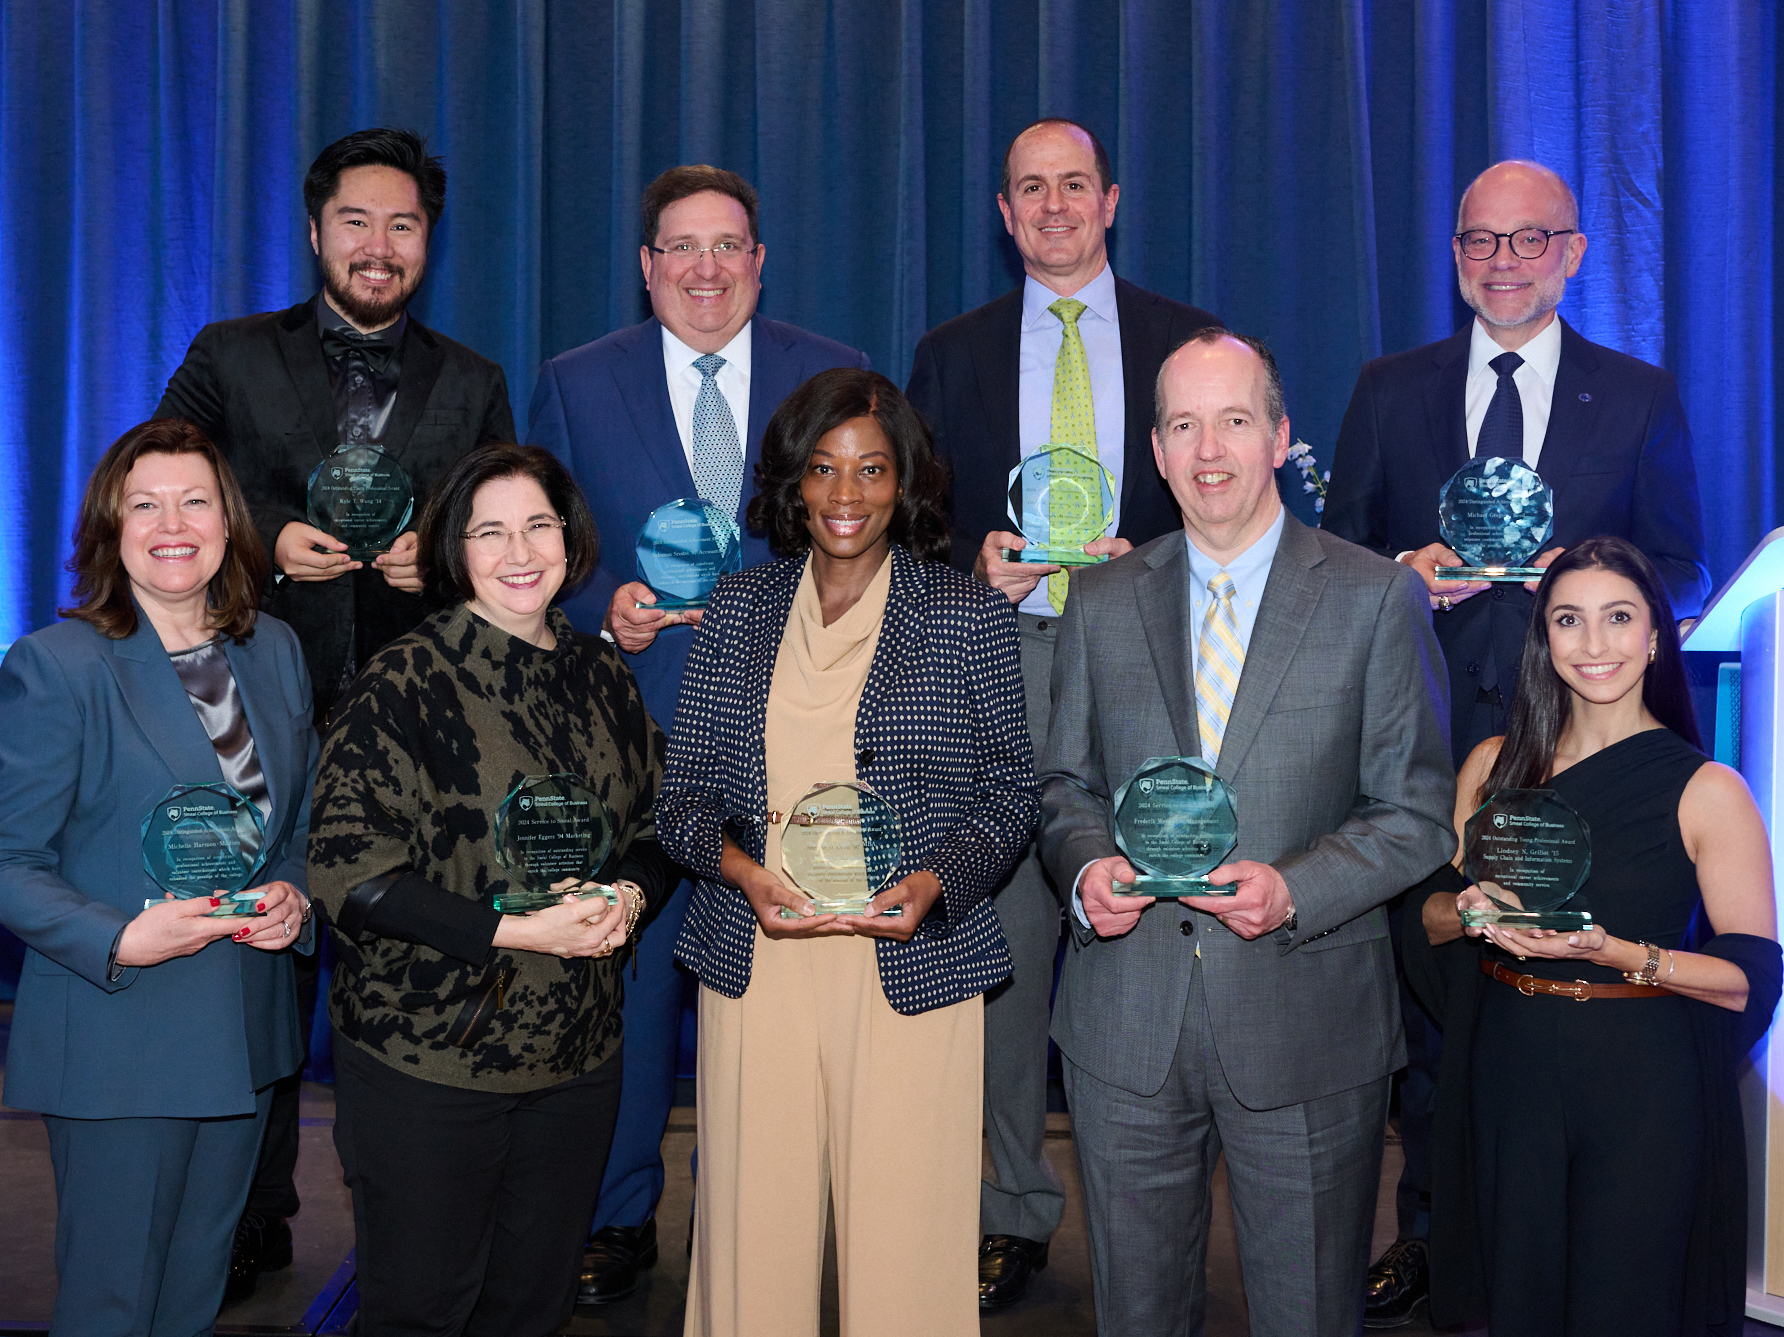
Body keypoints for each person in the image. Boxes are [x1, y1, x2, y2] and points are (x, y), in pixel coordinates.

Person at [1322, 159, 1712, 1326]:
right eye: (1477, 242)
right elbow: (1332, 555)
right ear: (1452, 254)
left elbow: (1683, 563)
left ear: (1573, 252)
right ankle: (1434, 1228)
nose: (1500, 262)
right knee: (1439, 980)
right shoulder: (1389, 387)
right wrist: (1396, 575)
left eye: (1526, 240)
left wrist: (1590, 582)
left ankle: (1561, 1222)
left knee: (1557, 975)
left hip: (1580, 741)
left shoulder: (1634, 394)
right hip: (1425, 740)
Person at [156, 127, 515, 1297]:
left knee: (406, 977)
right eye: (356, 221)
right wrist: (259, 542)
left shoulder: (472, 381)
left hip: (414, 735)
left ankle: (407, 1225)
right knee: (253, 968)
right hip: (247, 712)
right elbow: (149, 488)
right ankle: (247, 1215)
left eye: (403, 225)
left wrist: (447, 560)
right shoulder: (229, 353)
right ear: (315, 231)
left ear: (428, 242)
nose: (378, 245)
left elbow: (513, 545)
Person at [1039, 330, 1455, 1335]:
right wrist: (1085, 863)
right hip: (1124, 1022)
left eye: (1232, 419)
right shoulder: (1099, 597)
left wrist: (1295, 886)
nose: (1207, 447)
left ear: (1277, 436)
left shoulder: (1372, 595)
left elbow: (1415, 812)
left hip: (1305, 1021)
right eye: (1182, 423)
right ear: (1154, 448)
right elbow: (1061, 783)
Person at [528, 164, 869, 1301]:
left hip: (798, 741)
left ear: (759, 261)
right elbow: (542, 551)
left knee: (781, 994)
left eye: (728, 246)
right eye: (681, 248)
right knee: (628, 990)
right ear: (646, 266)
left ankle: (777, 1210)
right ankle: (618, 1214)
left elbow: (869, 541)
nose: (706, 269)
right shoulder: (576, 383)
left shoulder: (834, 372)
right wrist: (601, 604)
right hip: (634, 738)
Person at [903, 116, 1220, 1311]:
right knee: (1008, 945)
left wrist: (1170, 560)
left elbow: (1236, 500)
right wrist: (963, 570)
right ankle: (1010, 1208)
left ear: (1111, 197)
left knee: (1149, 928)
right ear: (1000, 212)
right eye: (1027, 188)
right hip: (1004, 659)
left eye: (1071, 184)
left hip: (1152, 662)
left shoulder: (1188, 339)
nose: (1050, 206)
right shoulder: (949, 351)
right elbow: (910, 521)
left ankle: (1155, 1198)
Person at [655, 368, 1040, 1336]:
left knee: (907, 1246)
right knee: (754, 1241)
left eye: (871, 469)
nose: (845, 494)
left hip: (907, 959)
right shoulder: (736, 608)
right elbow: (684, 797)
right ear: (791, 483)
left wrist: (931, 881)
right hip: (761, 960)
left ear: (903, 482)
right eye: (823, 469)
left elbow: (1007, 796)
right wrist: (742, 874)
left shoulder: (966, 614)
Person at [306, 443, 674, 1335]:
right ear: (454, 549)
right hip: (426, 1065)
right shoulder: (404, 680)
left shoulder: (601, 673)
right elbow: (347, 874)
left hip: (576, 1062)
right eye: (491, 530)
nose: (520, 550)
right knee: (421, 1309)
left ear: (570, 537)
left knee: (532, 1307)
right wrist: (520, 935)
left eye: (538, 524)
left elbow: (659, 831)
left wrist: (627, 900)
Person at [1406, 535, 1780, 1337]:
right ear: (1546, 638)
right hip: (1513, 1071)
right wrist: (1472, 910)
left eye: (1618, 617)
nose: (1594, 643)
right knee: (1522, 1301)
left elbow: (1751, 975)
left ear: (1655, 635)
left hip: (1643, 1082)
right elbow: (1427, 917)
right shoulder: (1491, 766)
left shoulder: (1709, 790)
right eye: (1570, 620)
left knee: (1626, 1306)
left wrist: (1613, 951)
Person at [0, 418, 317, 1334]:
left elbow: (294, 825)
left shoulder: (275, 651)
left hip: (247, 1035)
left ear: (230, 523)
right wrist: (116, 937)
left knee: (192, 1300)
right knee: (112, 1305)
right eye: (145, 503)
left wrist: (294, 893)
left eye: (194, 500)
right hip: (120, 1037)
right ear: (111, 526)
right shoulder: (56, 668)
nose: (171, 522)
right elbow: (10, 862)